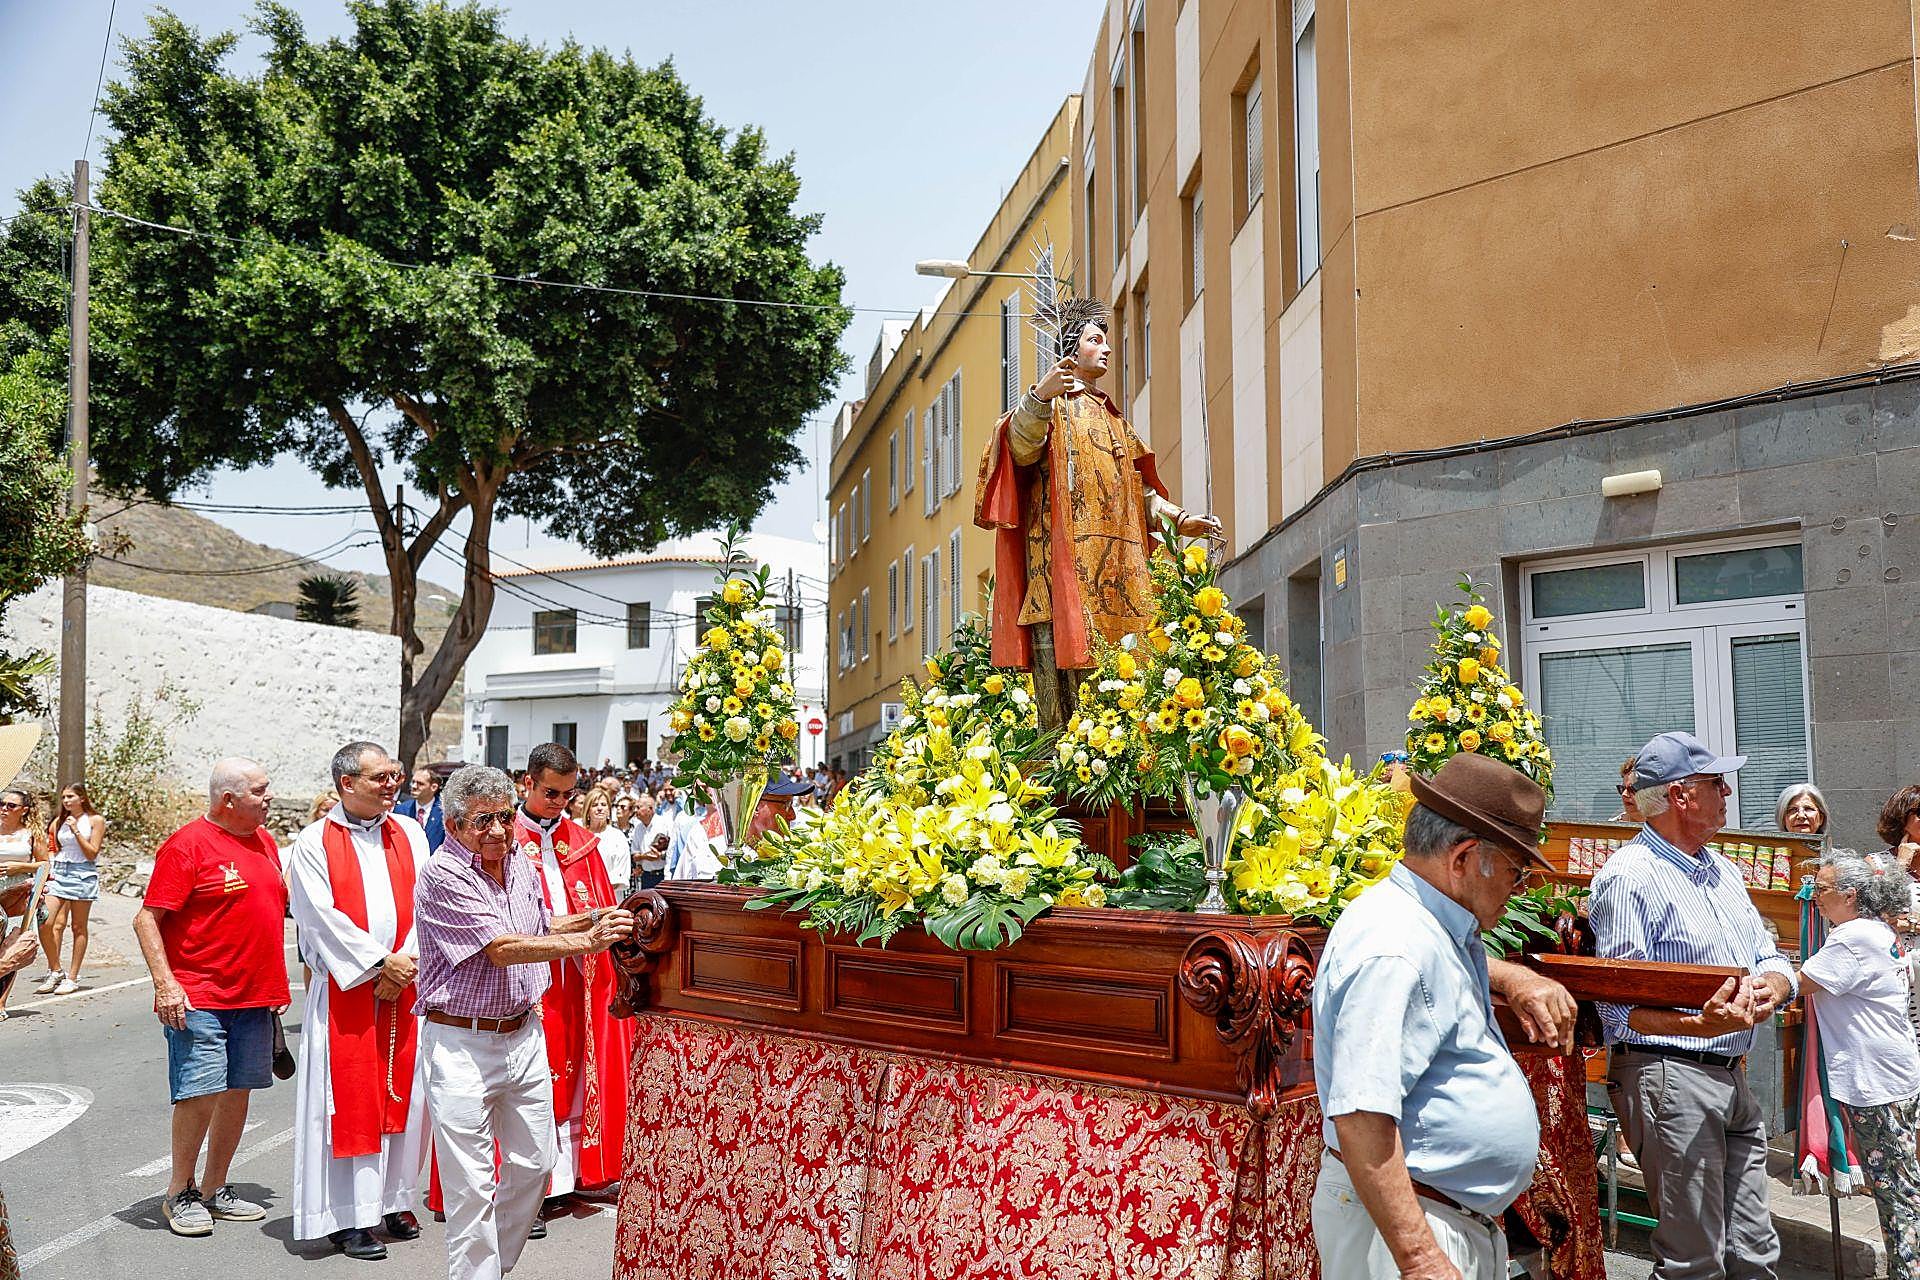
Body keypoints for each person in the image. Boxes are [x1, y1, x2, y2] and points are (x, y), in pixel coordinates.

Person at [1310, 753, 1574, 1280]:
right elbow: (1362, 1113)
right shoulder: (1394, 945)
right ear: (1464, 859)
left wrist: (1512, 976)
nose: (1519, 889)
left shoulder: (1427, 926)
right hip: (1413, 1229)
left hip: (1443, 1215)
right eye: (1515, 872)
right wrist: (1421, 1258)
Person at [1590, 731, 1797, 1280]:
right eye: (1715, 782)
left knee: (1753, 1254)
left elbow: (1768, 956)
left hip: (1727, 1076)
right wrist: (1699, 1022)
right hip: (1669, 1075)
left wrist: (1773, 986)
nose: (1727, 792)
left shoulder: (1723, 870)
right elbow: (1616, 1011)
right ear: (1681, 796)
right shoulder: (1629, 876)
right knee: (1693, 1263)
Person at [414, 765, 633, 1280]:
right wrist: (587, 942)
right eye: (481, 821)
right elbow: (502, 947)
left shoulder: (519, 864)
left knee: (536, 1166)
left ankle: (494, 1265)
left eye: (504, 817)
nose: (497, 831)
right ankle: (478, 1275)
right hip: (461, 1042)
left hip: (522, 1034)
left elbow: (538, 925)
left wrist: (596, 916)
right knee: (471, 1186)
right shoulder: (444, 874)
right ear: (454, 824)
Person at [974, 295, 1221, 730]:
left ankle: (1124, 790)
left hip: (1119, 583)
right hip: (1059, 581)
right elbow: (1018, 446)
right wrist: (1038, 397)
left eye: (1106, 341)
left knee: (1123, 709)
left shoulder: (1116, 422)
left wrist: (1180, 520)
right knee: (1062, 715)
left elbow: (1139, 493)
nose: (1107, 348)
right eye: (1096, 340)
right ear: (1071, 352)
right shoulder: (1049, 408)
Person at [132, 759, 288, 1238]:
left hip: (254, 997)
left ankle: (214, 1188)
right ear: (229, 800)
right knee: (199, 1093)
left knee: (237, 1091)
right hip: (200, 994)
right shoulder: (187, 845)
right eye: (261, 792)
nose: (270, 799)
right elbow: (146, 919)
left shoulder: (263, 841)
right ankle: (180, 1191)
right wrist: (166, 983)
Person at [286, 742, 431, 1260]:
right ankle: (348, 1217)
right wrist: (378, 965)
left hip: (404, 985)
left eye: (395, 775)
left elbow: (427, 903)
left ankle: (392, 1200)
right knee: (347, 1102)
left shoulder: (411, 833)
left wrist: (405, 962)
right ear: (347, 784)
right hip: (349, 993)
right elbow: (318, 915)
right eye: (380, 777)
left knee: (404, 1097)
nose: (392, 784)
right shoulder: (313, 842)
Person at [512, 742, 630, 1209]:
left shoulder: (581, 842)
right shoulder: (505, 839)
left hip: (580, 975)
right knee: (534, 1077)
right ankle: (533, 1188)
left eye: (568, 795)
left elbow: (601, 901)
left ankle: (581, 1172)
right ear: (528, 783)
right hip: (532, 974)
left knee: (582, 1070)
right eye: (551, 794)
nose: (560, 804)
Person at [1800, 848, 1920, 1276]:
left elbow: (1802, 982)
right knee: (1899, 1185)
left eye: (1823, 887)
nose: (1815, 893)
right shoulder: (1875, 930)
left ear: (1851, 895)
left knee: (1898, 1190)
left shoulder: (1852, 937)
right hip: (1892, 1073)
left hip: (1878, 1081)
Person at [33, 783, 105, 996]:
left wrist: (75, 830)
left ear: (81, 798)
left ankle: (72, 977)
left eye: (70, 796)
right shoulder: (58, 821)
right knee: (46, 921)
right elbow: (53, 848)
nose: (66, 801)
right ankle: (55, 970)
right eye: (63, 797)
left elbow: (92, 853)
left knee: (78, 927)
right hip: (60, 872)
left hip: (82, 873)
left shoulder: (95, 820)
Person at [0, 790, 43, 1024]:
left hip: (19, 893)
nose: (4, 808)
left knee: (12, 946)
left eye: (11, 805)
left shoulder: (31, 834)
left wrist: (18, 867)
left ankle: (1, 1001)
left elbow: (45, 864)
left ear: (24, 810)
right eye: (1, 803)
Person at [742, 775, 812, 849]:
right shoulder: (732, 857)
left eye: (791, 804)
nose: (792, 816)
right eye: (785, 805)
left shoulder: (793, 851)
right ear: (754, 807)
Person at [584, 791, 631, 896]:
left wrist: (598, 889)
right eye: (595, 805)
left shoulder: (618, 837)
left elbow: (620, 873)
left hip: (611, 897)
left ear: (609, 811)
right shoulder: (580, 836)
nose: (600, 808)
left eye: (604, 805)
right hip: (584, 897)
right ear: (587, 811)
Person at [394, 766, 447, 852]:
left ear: (433, 787)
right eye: (413, 782)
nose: (414, 786)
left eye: (420, 784)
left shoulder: (444, 812)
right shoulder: (400, 810)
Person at [1611, 756, 1641, 823]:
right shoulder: (1611, 828)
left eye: (1632, 788)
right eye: (1622, 789)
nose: (1624, 794)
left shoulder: (1666, 828)